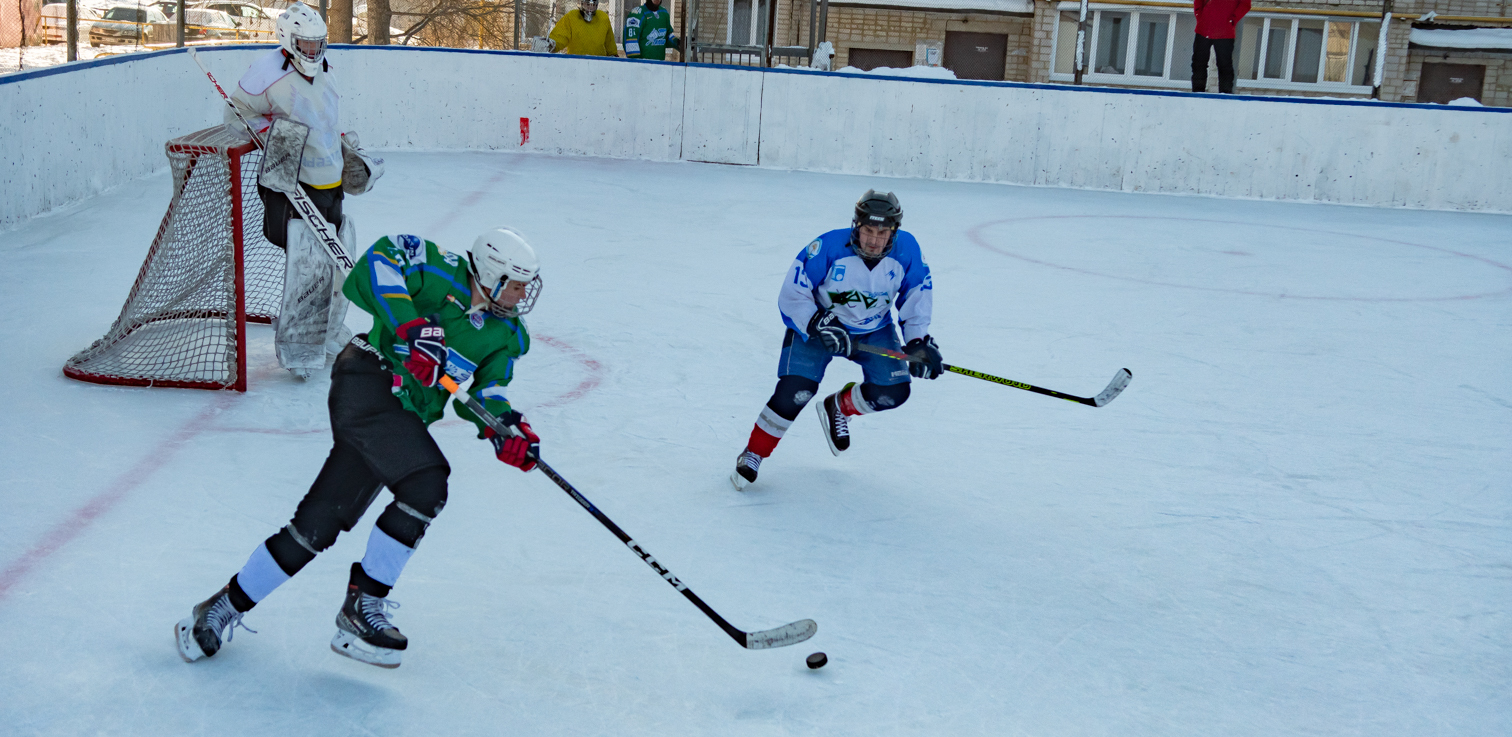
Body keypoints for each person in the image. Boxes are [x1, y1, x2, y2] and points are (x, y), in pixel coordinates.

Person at [175, 228, 545, 669]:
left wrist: (504, 427)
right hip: (367, 379)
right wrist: (411, 325)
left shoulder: (507, 335)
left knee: (317, 525)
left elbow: (488, 393)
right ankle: (362, 607)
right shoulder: (439, 270)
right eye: (516, 282)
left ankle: (220, 608)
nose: (523, 294)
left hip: (401, 415)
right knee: (426, 484)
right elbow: (379, 261)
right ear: (489, 274)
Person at [730, 190, 942, 491]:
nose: (873, 240)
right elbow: (792, 293)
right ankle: (753, 453)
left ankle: (839, 408)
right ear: (856, 226)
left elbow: (917, 296)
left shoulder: (908, 250)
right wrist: (817, 322)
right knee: (796, 390)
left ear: (893, 231)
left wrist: (918, 342)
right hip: (818, 326)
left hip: (873, 329)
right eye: (868, 230)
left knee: (893, 391)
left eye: (882, 232)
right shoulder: (827, 246)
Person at [229, 2, 383, 380]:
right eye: (305, 44)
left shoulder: (327, 72)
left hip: (330, 185)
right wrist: (276, 138)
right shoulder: (266, 73)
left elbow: (325, 123)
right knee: (308, 268)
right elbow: (237, 115)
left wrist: (344, 149)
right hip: (293, 188)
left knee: (340, 261)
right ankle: (298, 344)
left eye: (318, 44)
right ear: (287, 40)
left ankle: (327, 332)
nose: (312, 52)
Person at [1192, 0, 1250, 94]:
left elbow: (1245, 4)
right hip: (1203, 28)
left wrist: (1233, 19)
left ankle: (1225, 95)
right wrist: (1199, 16)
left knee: (1224, 65)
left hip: (1225, 31)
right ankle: (1197, 93)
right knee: (1198, 63)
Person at [548, 0, 618, 57]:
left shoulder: (603, 18)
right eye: (587, 5)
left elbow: (610, 46)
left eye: (593, 5)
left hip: (598, 65)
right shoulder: (572, 17)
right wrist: (549, 46)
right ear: (581, 3)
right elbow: (559, 37)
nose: (590, 8)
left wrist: (613, 56)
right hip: (576, 64)